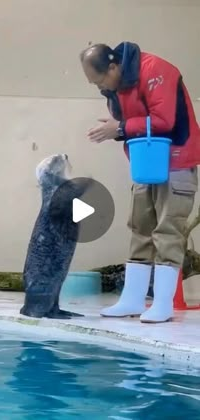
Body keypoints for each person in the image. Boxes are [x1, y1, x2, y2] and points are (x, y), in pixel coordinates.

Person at [80, 41, 200, 323]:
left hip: (177, 161)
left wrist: (119, 128)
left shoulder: (156, 70)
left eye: (100, 80)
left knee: (168, 230)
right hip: (147, 162)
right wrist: (117, 127)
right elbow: (132, 119)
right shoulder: (115, 84)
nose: (99, 87)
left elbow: (163, 120)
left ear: (113, 66)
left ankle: (162, 304)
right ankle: (132, 299)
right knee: (140, 228)